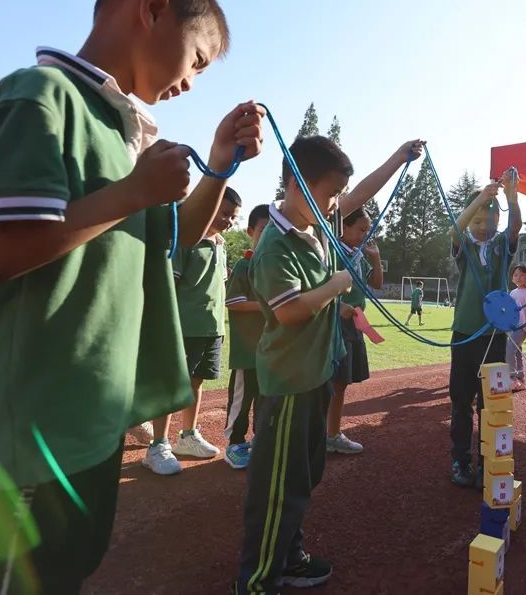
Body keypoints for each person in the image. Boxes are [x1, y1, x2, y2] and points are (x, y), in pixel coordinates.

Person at [0, 0, 264, 594]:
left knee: (66, 571)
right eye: (197, 59)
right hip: (34, 420)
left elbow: (171, 239)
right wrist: (131, 193)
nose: (192, 84)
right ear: (152, 9)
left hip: (88, 412)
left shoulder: (122, 133)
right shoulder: (41, 96)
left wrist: (219, 167)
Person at [237, 135, 424, 594]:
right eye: (330, 192)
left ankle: (289, 554)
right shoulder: (276, 245)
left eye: (338, 194)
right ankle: (257, 580)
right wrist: (338, 284)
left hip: (315, 374)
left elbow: (362, 194)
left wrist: (398, 157)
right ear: (296, 184)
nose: (338, 203)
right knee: (277, 489)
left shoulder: (314, 225)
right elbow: (290, 310)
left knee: (302, 477)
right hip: (289, 383)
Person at [143, 187, 242, 474]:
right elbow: (170, 286)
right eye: (224, 213)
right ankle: (157, 445)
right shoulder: (185, 239)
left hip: (211, 327)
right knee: (170, 385)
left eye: (233, 217)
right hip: (182, 327)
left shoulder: (221, 243)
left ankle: (187, 436)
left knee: (196, 381)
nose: (228, 220)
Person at [448, 173, 522, 488]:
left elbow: (514, 226)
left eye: (487, 219)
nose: (481, 225)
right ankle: (460, 460)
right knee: (460, 401)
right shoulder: (464, 245)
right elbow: (454, 229)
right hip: (464, 335)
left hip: (494, 336)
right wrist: (479, 198)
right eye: (477, 219)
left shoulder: (501, 247)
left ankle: (486, 463)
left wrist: (512, 196)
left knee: (490, 403)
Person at [327, 208, 384, 454]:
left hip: (353, 325)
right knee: (330, 381)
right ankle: (326, 434)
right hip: (335, 325)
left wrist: (376, 260)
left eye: (367, 229)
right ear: (344, 228)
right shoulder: (333, 252)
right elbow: (319, 284)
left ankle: (330, 434)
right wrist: (338, 306)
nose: (365, 234)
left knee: (341, 383)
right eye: (361, 229)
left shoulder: (358, 255)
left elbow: (377, 284)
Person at [223, 203, 271, 470]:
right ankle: (234, 443)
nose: (268, 235)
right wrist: (268, 305)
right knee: (242, 400)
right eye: (264, 229)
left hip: (270, 350)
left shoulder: (274, 265)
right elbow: (234, 301)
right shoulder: (245, 264)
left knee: (266, 401)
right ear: (251, 231)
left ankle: (258, 440)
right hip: (247, 351)